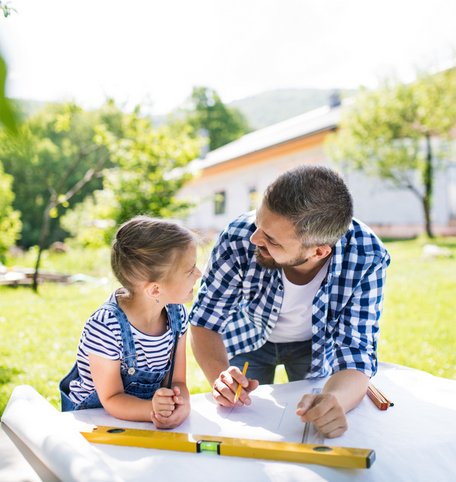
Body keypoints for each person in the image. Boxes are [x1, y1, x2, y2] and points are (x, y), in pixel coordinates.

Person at [189, 165, 390, 438]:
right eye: (259, 222)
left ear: (319, 251)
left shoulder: (368, 255)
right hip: (250, 335)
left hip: (316, 345)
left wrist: (335, 403)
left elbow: (357, 354)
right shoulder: (238, 236)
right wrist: (220, 378)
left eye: (271, 239)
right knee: (241, 419)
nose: (254, 238)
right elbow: (205, 320)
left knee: (305, 420)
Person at [59, 216, 201, 430]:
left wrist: (182, 405)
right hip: (93, 422)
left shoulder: (177, 315)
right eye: (190, 270)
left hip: (140, 422)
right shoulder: (106, 327)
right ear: (154, 290)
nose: (199, 274)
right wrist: (153, 411)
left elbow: (177, 381)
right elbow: (111, 398)